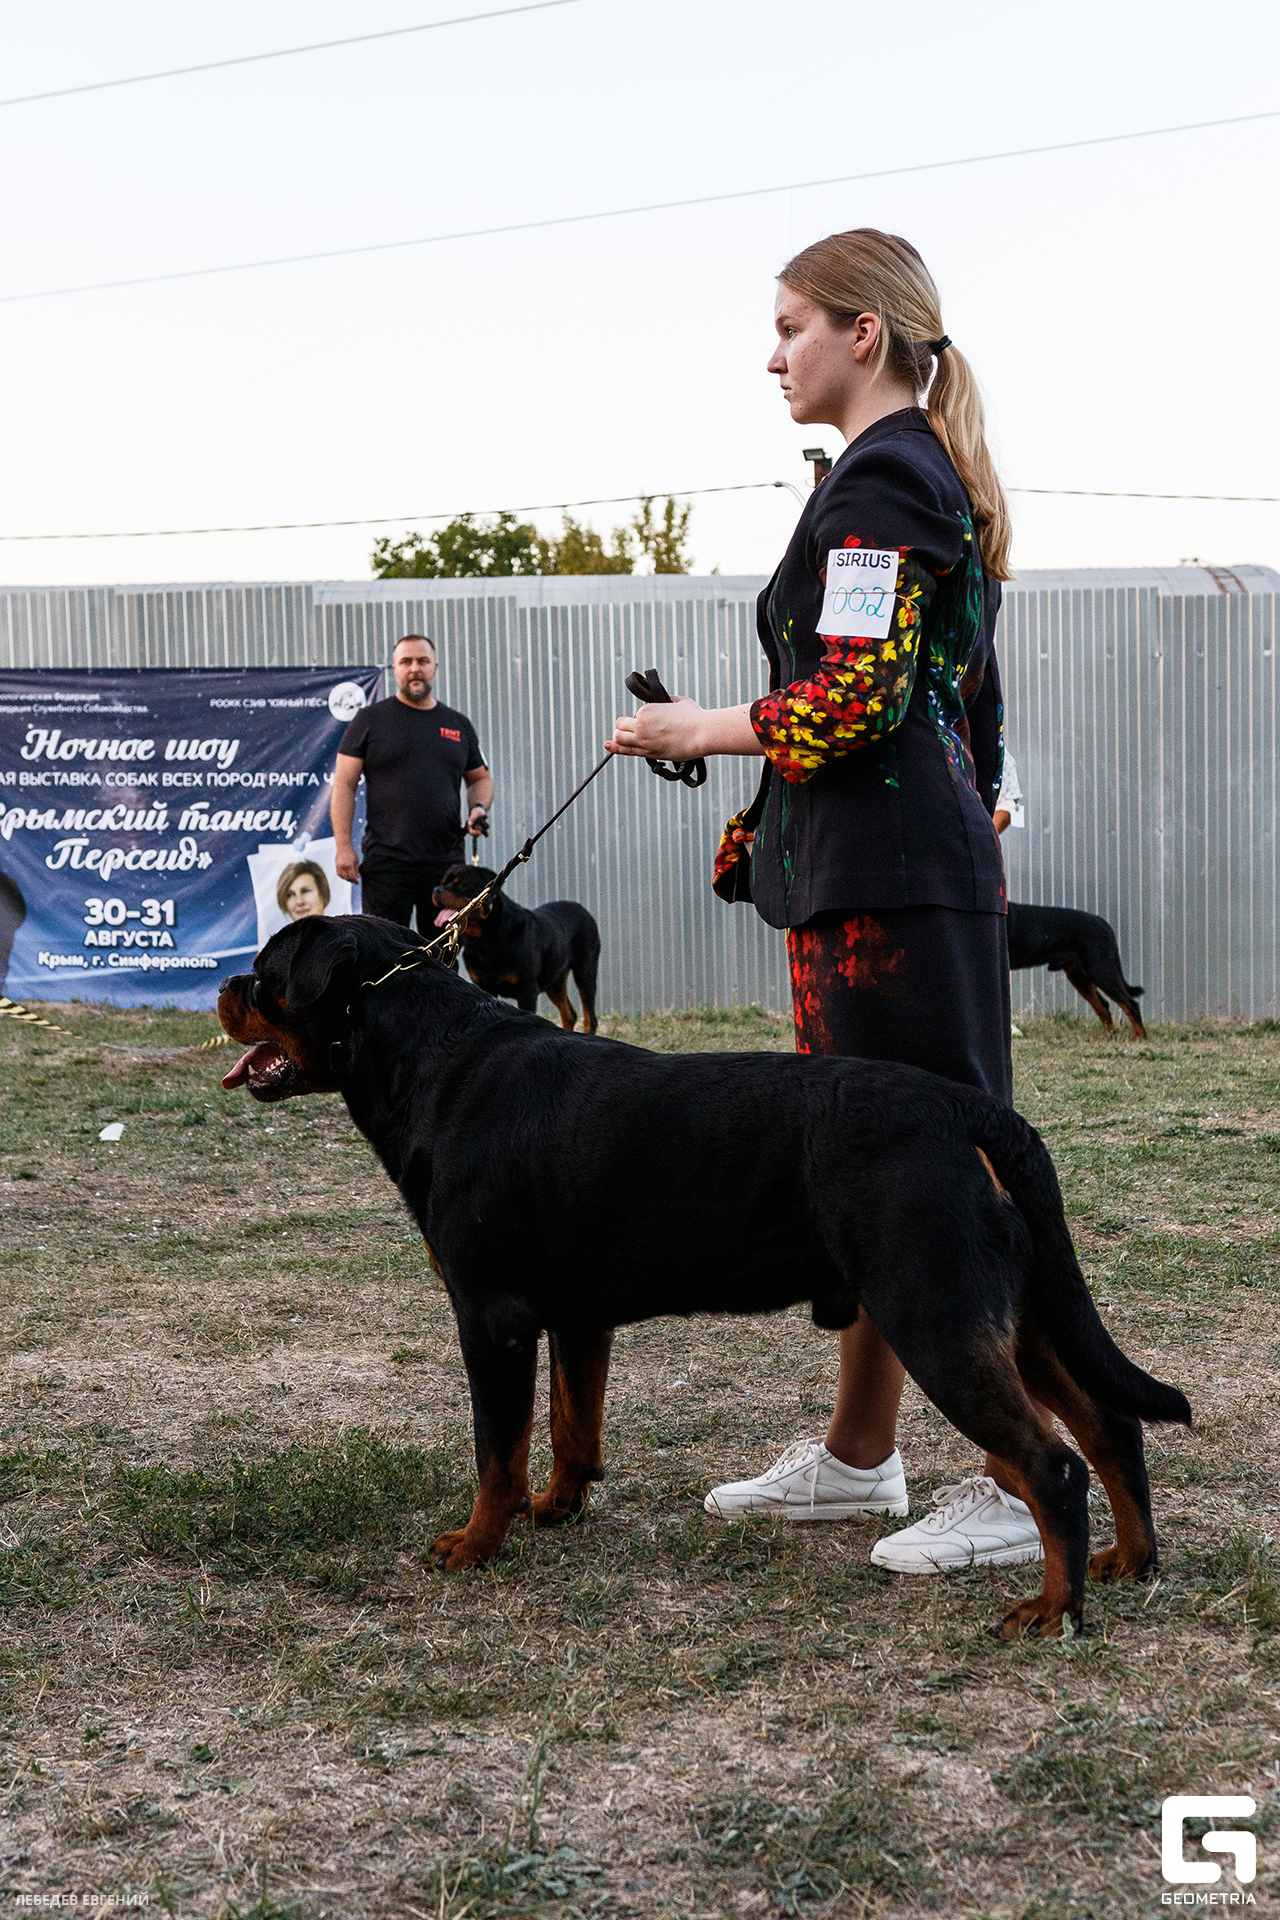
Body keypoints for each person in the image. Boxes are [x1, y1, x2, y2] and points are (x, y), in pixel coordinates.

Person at [607, 227, 1049, 1576]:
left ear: (864, 333)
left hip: (895, 892)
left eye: (791, 326)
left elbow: (857, 696)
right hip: (872, 876)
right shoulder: (893, 474)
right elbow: (954, 708)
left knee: (945, 1177)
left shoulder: (887, 477)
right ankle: (862, 1459)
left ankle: (1020, 1477)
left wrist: (698, 729)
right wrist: (771, 821)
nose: (773, 355)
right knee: (869, 1175)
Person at [332, 633, 494, 929]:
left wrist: (479, 808)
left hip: (446, 867)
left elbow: (480, 778)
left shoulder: (458, 724)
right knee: (385, 951)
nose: (415, 668)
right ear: (394, 669)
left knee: (441, 951)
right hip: (387, 865)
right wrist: (343, 846)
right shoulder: (369, 720)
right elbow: (344, 784)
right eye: (406, 662)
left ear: (435, 666)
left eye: (422, 661)